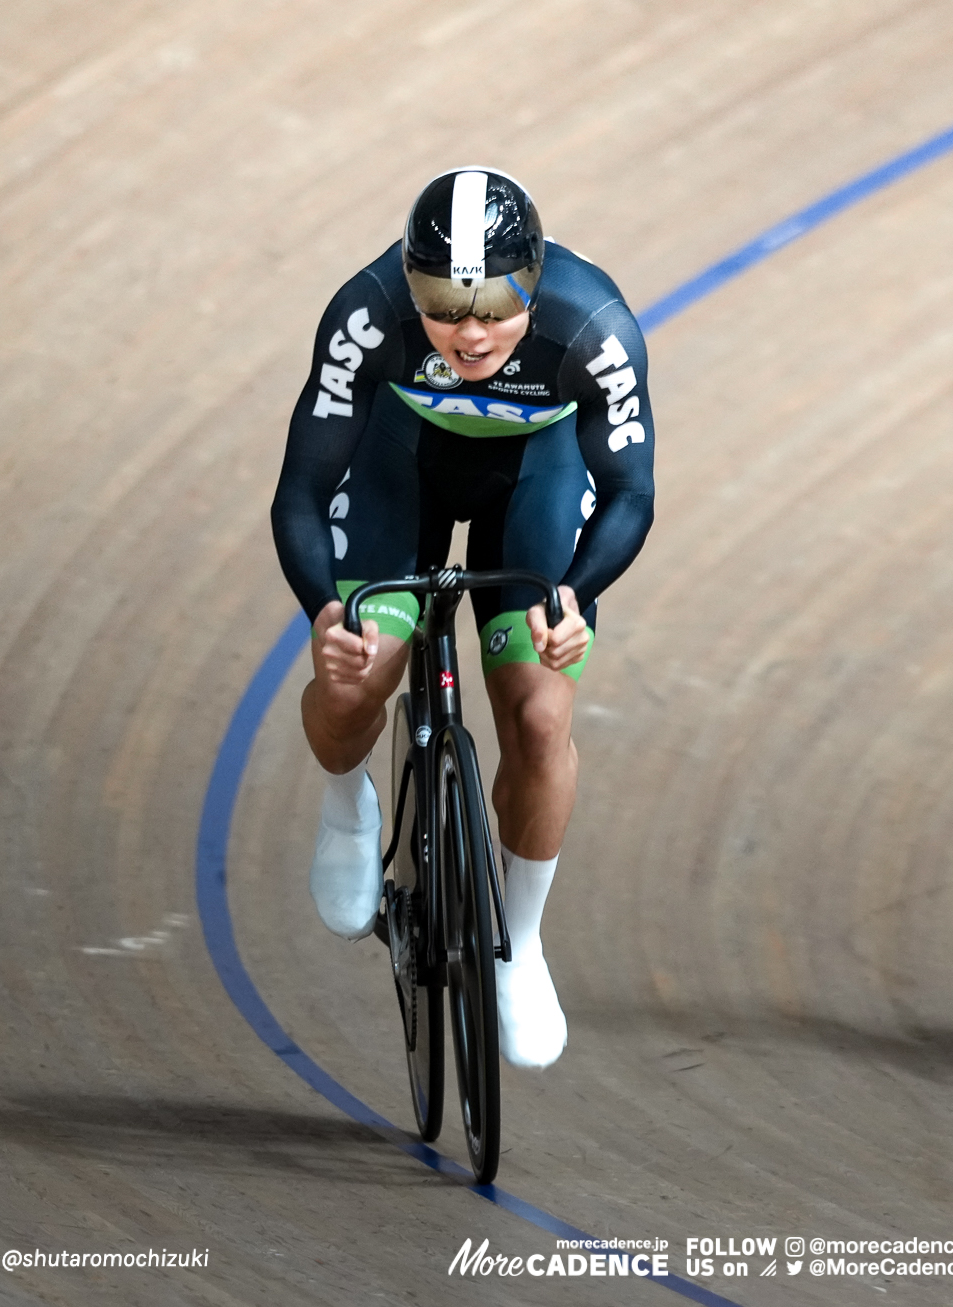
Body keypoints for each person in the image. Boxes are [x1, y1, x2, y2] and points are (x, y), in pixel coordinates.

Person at [270, 167, 656, 1063]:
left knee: (539, 712)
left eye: (494, 305)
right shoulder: (366, 316)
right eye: (444, 304)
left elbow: (632, 494)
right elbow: (302, 489)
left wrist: (570, 597)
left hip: (536, 479)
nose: (470, 331)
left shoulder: (591, 327)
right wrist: (326, 610)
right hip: (396, 468)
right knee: (359, 664)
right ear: (410, 283)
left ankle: (520, 941)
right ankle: (347, 805)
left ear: (536, 280)